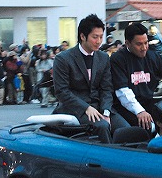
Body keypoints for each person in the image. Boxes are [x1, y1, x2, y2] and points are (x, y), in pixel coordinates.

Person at [53, 14, 128, 144]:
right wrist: (86, 108)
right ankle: (108, 161)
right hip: (75, 108)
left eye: (100, 37)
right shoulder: (63, 59)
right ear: (82, 36)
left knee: (126, 129)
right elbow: (62, 92)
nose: (99, 41)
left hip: (99, 106)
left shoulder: (103, 57)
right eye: (95, 37)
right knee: (102, 127)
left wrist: (106, 111)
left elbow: (106, 88)